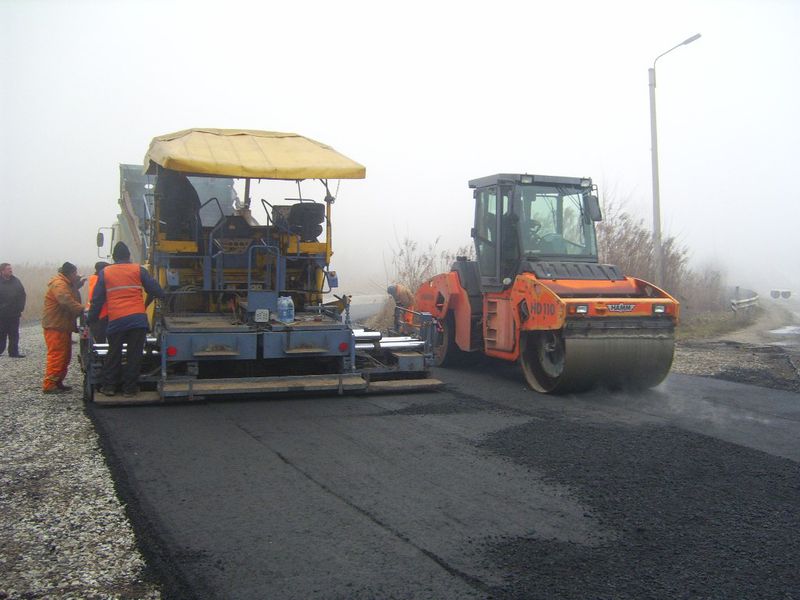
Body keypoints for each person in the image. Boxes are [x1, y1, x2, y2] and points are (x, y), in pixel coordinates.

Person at [87, 242, 164, 397]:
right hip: (137, 320)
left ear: (114, 257)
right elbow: (156, 290)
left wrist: (91, 319)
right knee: (134, 355)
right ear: (128, 256)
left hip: (116, 320)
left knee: (113, 353)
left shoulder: (105, 272)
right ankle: (130, 389)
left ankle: (109, 387)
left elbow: (97, 299)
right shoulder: (138, 270)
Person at [42, 262, 85, 393]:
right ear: (70, 273)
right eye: (75, 273)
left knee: (65, 355)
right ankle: (49, 384)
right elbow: (65, 300)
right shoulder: (59, 284)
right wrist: (83, 310)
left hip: (61, 325)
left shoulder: (65, 283)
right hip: (56, 326)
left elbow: (68, 294)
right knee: (57, 354)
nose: (76, 275)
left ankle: (58, 381)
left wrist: (76, 285)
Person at [0, 263, 26, 358]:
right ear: (2, 271)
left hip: (14, 313)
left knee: (14, 334)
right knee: (1, 333)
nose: (10, 270)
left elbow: (23, 294)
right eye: (8, 269)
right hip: (2, 314)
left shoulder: (16, 281)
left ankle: (14, 352)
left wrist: (20, 307)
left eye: (11, 268)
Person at [85, 261, 109, 343]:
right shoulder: (99, 281)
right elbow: (98, 300)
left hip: (95, 314)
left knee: (95, 340)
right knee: (100, 343)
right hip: (100, 315)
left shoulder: (94, 279)